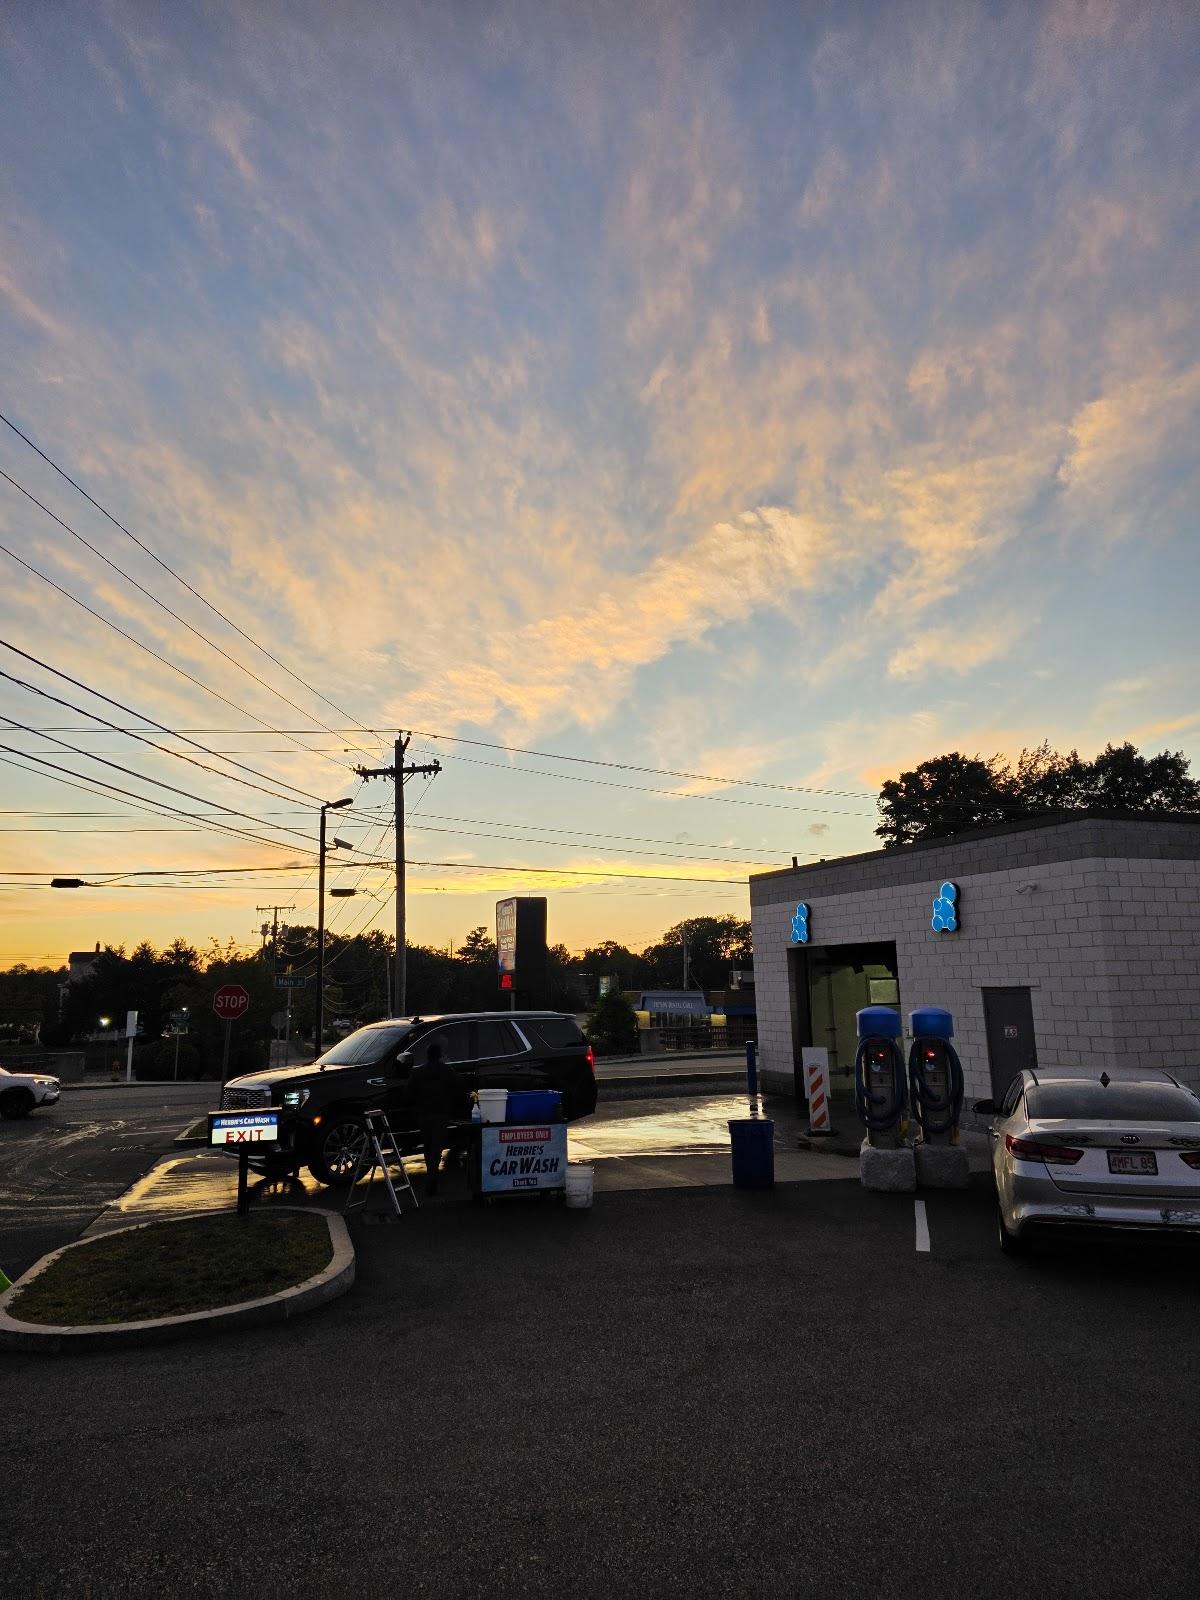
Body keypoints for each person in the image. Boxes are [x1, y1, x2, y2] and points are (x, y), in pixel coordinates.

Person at [404, 1040, 468, 1196]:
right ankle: (432, 1177)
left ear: (427, 1056)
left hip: (424, 1115)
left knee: (427, 1147)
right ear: (440, 1055)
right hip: (441, 1114)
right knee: (437, 1149)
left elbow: (407, 1094)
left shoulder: (418, 1073)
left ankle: (430, 1175)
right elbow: (459, 1089)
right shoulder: (447, 1071)